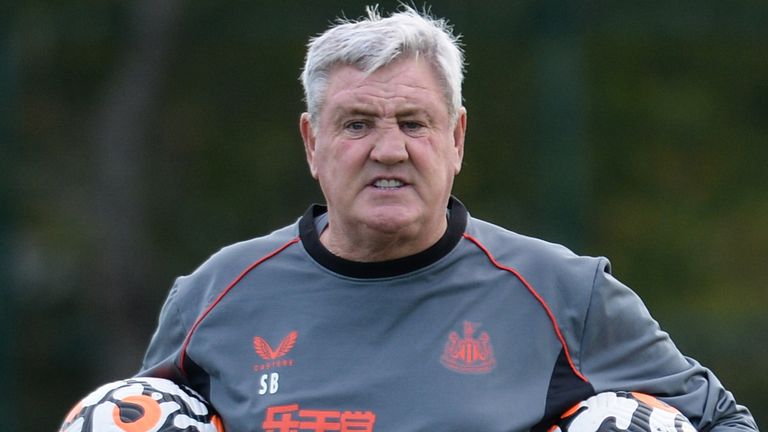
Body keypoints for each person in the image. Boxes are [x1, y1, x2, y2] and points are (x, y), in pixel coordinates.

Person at [139, 6, 759, 431]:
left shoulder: (567, 294)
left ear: (456, 138)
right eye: (357, 124)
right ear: (311, 142)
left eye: (414, 123)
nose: (389, 149)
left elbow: (725, 422)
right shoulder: (215, 294)